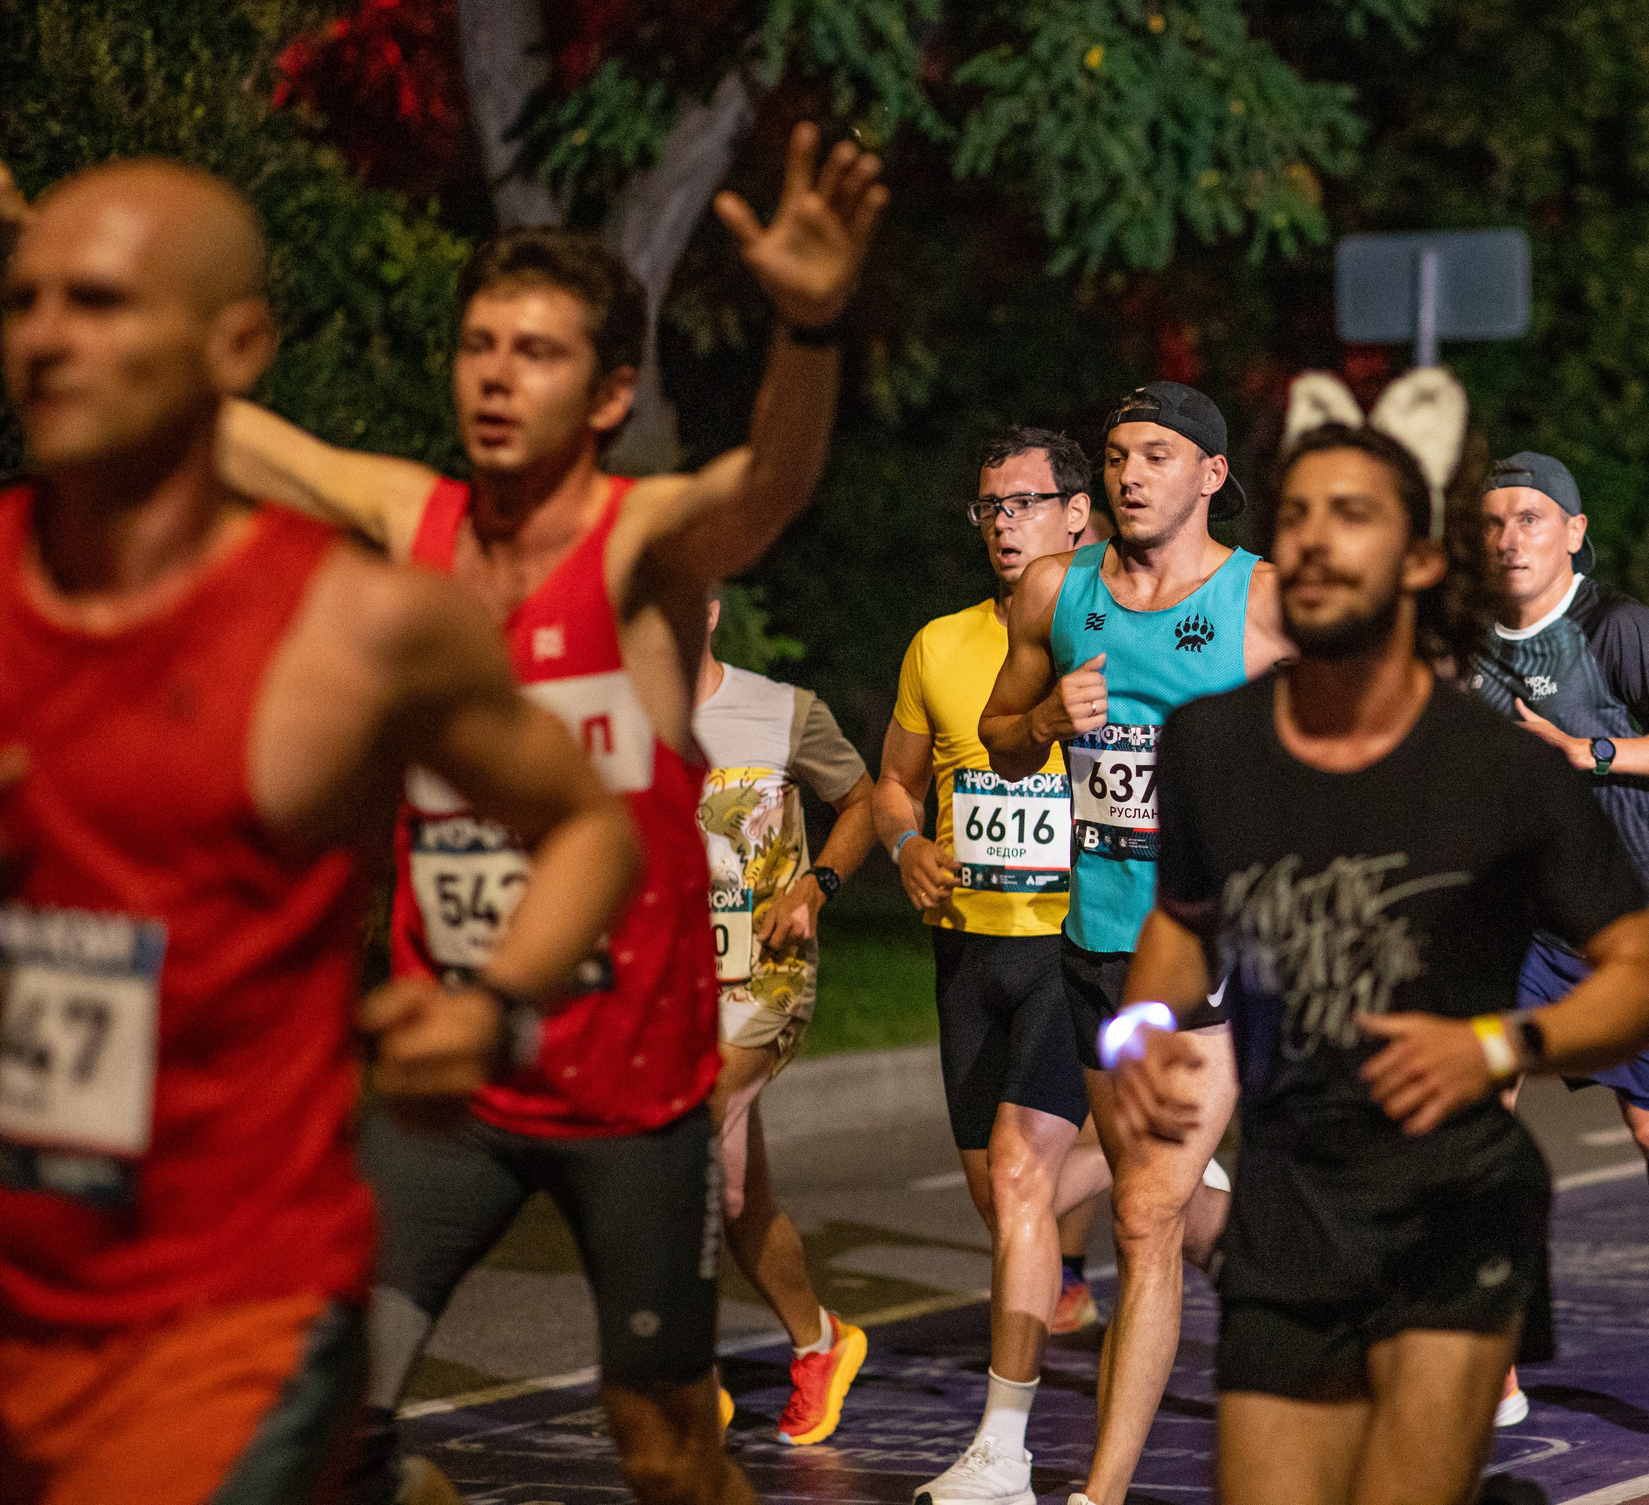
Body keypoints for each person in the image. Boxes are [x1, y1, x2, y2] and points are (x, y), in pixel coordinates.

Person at [216, 121, 887, 1504]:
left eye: (535, 351)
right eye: (478, 345)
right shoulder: (415, 520)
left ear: (608, 391)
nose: (496, 375)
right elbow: (216, 426)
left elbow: (767, 485)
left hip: (632, 1095)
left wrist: (810, 329)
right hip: (450, 1089)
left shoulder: (639, 548)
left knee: (665, 1448)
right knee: (325, 1420)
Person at [0, 159, 638, 1503]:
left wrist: (497, 1002)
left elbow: (586, 820)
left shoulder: (357, 629)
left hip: (224, 1317)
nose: (50, 337)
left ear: (234, 345)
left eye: (101, 301)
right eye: (25, 300)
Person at [1111, 372, 1649, 1505]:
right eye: (1301, 516)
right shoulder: (1210, 749)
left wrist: (1495, 1047)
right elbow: (1183, 929)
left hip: (1451, 1200)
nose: (1319, 540)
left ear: (1422, 562)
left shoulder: (1500, 770)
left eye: (1356, 515)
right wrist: (1140, 1031)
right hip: (1287, 1206)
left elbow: (1647, 983)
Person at [969, 382, 1290, 1505]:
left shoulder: (1263, 600)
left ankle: (1098, 1494)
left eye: (1157, 453)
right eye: (1114, 455)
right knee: (1164, 1208)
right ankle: (1306, 1295)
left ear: (1210, 475)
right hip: (1095, 940)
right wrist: (1047, 722)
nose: (1130, 473)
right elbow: (1001, 741)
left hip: (1217, 956)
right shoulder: (1060, 593)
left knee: (1142, 1218)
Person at [880, 429, 1121, 1502]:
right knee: (1002, 1199)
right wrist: (906, 844)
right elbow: (892, 779)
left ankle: (1002, 1452)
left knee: (1025, 1186)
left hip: (1073, 947)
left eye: (1024, 504)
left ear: (1079, 513)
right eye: (989, 508)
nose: (1004, 525)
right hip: (969, 948)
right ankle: (1166, 1154)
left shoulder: (1123, 633)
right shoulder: (939, 643)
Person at [1468, 452, 1649, 1429]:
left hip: (1616, 933)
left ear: (1573, 532)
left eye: (1531, 519)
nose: (1510, 538)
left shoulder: (1617, 628)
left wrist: (1590, 752)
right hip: (1509, 928)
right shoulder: (1465, 637)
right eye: (1494, 521)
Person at [693, 590, 877, 1444]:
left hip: (764, 973)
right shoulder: (610, 722)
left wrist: (817, 884)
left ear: (710, 608)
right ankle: (821, 1341)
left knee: (685, 1142)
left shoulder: (781, 710)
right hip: (671, 983)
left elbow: (864, 802)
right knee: (736, 1193)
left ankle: (682, 1374)